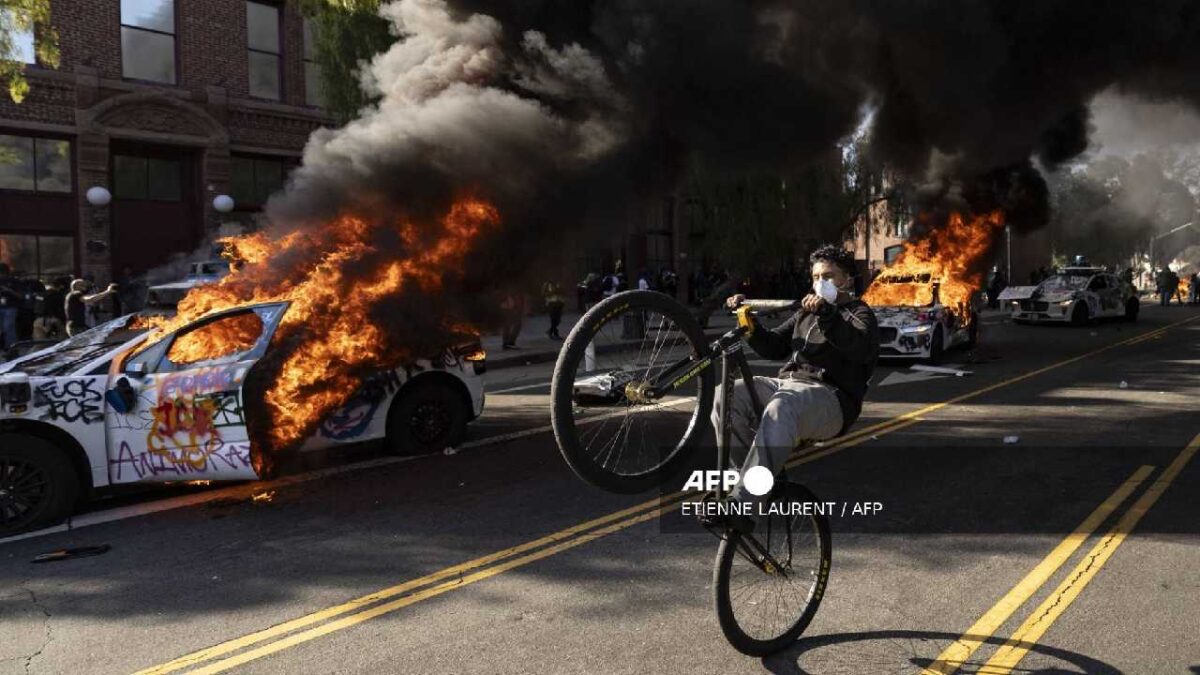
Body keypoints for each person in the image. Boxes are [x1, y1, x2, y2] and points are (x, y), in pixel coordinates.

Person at [711, 245, 879, 532]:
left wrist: (828, 315)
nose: (820, 283)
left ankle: (744, 503)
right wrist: (746, 318)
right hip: (789, 384)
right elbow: (774, 346)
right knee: (726, 395)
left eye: (829, 276)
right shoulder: (805, 312)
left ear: (848, 279)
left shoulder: (859, 313)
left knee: (782, 405)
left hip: (832, 398)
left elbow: (859, 347)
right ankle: (755, 483)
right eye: (815, 277)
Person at [0, 263, 20, 351]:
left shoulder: (14, 281)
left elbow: (20, 295)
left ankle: (11, 348)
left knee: (8, 327)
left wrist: (9, 290)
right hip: (1, 306)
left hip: (10, 307)